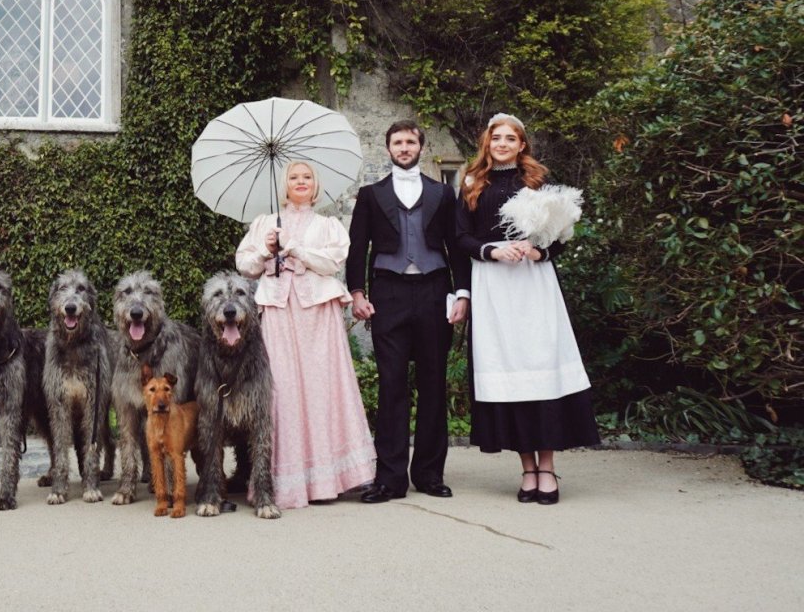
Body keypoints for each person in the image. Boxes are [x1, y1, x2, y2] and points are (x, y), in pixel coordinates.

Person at [455, 113, 600, 505]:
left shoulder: (538, 183)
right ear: (487, 142)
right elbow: (459, 237)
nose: (502, 143)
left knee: (541, 369)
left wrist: (539, 250)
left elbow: (561, 236)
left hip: (534, 285)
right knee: (510, 372)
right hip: (493, 286)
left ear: (522, 145)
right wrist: (492, 250)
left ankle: (548, 467)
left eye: (510, 138)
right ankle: (527, 469)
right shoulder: (471, 183)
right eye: (495, 137)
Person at [235, 160, 377, 509]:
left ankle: (329, 479)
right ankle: (283, 482)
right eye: (294, 177)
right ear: (284, 185)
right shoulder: (264, 224)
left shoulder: (328, 225)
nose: (301, 182)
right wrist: (267, 249)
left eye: (307, 177)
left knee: (322, 388)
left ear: (316, 185)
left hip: (317, 315)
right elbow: (245, 265)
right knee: (282, 390)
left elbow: (333, 262)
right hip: (279, 314)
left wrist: (297, 250)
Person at [345, 120, 470, 504]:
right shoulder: (370, 195)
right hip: (389, 293)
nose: (403, 147)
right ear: (388, 149)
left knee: (433, 384)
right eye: (397, 142)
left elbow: (457, 245)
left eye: (410, 141)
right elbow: (357, 247)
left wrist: (462, 294)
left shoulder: (443, 194)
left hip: (434, 291)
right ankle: (390, 479)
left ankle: (430, 474)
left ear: (420, 145)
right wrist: (356, 292)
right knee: (391, 385)